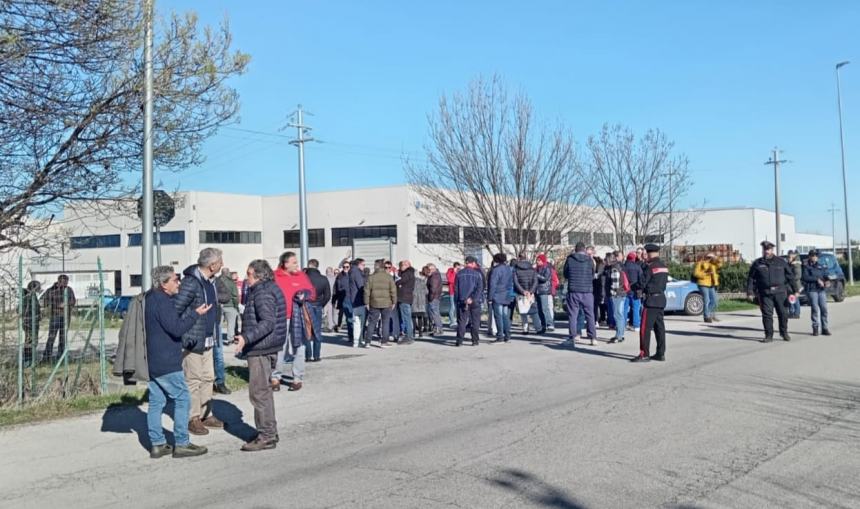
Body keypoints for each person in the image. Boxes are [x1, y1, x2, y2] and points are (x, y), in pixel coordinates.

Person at [145, 265, 211, 459]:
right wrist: (195, 314)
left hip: (153, 358)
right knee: (183, 398)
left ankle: (157, 444)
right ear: (164, 284)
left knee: (156, 401)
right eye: (175, 280)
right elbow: (176, 328)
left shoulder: (149, 298)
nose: (179, 283)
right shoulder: (163, 302)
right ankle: (181, 443)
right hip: (166, 360)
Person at [234, 259, 287, 452]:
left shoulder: (263, 292)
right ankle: (269, 430)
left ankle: (266, 435)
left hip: (261, 348)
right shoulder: (266, 288)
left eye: (248, 274)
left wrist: (246, 338)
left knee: (259, 392)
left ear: (258, 275)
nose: (245, 278)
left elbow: (267, 322)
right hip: (266, 346)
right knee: (263, 391)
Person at [174, 247, 224, 436]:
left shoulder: (211, 281)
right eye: (220, 261)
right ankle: (192, 418)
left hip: (209, 338)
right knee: (193, 380)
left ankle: (205, 413)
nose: (222, 264)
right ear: (212, 265)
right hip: (193, 339)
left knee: (208, 377)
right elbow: (177, 308)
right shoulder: (191, 282)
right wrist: (185, 334)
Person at [273, 251, 315, 391]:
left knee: (299, 347)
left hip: (298, 318)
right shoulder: (274, 276)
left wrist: (306, 294)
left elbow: (312, 291)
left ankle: (297, 378)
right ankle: (275, 377)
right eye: (294, 262)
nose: (297, 264)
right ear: (285, 264)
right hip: (280, 317)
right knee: (279, 347)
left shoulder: (302, 276)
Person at [746, 240, 797, 343]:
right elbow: (751, 278)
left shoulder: (781, 261)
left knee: (783, 314)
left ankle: (784, 333)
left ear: (772, 250)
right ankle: (768, 335)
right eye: (765, 249)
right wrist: (750, 291)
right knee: (767, 315)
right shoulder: (757, 263)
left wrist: (795, 290)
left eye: (768, 249)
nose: (766, 251)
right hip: (765, 293)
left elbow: (790, 276)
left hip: (780, 292)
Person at [631, 244, 669, 362]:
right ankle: (660, 353)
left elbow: (642, 283)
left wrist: (632, 286)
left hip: (651, 300)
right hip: (661, 299)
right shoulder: (664, 266)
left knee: (645, 329)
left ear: (649, 253)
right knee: (659, 328)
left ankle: (644, 354)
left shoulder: (650, 267)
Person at [563, 242, 596, 346]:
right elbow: (592, 274)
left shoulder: (570, 259)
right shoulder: (590, 260)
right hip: (587, 290)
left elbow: (565, 274)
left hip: (573, 290)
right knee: (590, 315)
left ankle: (573, 337)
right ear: (584, 250)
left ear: (575, 249)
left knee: (573, 315)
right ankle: (593, 338)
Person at [213, 268, 239, 395]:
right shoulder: (194, 281)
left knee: (218, 353)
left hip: (216, 317)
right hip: (203, 321)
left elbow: (226, 295)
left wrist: (210, 295)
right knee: (230, 325)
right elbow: (234, 295)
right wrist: (236, 305)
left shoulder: (217, 281)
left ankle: (220, 382)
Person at [40, 274, 76, 362]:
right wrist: (54, 304)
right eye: (64, 282)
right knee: (51, 337)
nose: (66, 284)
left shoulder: (69, 290)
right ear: (60, 281)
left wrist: (66, 303)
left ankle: (61, 357)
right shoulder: (51, 290)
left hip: (66, 317)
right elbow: (43, 301)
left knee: (63, 338)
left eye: (67, 282)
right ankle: (46, 357)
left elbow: (73, 300)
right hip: (55, 316)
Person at [364, 260, 397, 348]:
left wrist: (366, 302)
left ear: (376, 267)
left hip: (374, 302)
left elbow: (366, 291)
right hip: (387, 303)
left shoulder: (371, 277)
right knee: (385, 322)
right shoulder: (389, 277)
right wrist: (394, 301)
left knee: (372, 322)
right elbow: (393, 291)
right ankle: (384, 342)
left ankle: (367, 342)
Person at [304, 259, 332, 362]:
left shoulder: (304, 278)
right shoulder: (323, 279)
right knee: (317, 331)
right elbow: (328, 295)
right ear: (317, 266)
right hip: (318, 306)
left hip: (306, 306)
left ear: (309, 265)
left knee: (307, 331)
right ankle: (316, 355)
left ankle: (308, 355)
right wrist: (321, 304)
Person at [454, 256, 484, 347]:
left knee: (462, 321)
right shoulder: (477, 274)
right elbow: (480, 288)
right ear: (472, 263)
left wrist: (459, 300)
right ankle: (475, 341)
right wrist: (473, 298)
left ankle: (459, 341)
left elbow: (456, 289)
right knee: (475, 321)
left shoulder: (459, 274)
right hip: (474, 301)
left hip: (462, 301)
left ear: (466, 263)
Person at [801, 250, 831, 337]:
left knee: (824, 308)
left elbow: (826, 275)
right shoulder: (806, 266)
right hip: (812, 290)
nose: (815, 257)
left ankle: (825, 328)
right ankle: (815, 328)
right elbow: (805, 277)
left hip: (821, 290)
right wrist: (817, 279)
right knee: (814, 308)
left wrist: (827, 281)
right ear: (809, 256)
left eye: (816, 256)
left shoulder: (821, 265)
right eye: (813, 255)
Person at [487, 253, 514, 343]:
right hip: (506, 295)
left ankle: (500, 336)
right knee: (505, 316)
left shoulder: (496, 270)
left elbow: (492, 284)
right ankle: (507, 335)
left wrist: (490, 297)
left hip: (497, 295)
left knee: (498, 316)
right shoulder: (509, 269)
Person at [513, 253, 541, 334]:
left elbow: (516, 282)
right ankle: (538, 328)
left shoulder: (516, 269)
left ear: (519, 258)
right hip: (531, 293)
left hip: (520, 293)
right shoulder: (532, 269)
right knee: (534, 311)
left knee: (523, 312)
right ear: (526, 257)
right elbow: (535, 281)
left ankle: (525, 329)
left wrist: (523, 291)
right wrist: (531, 291)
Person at [693, 253, 722, 323]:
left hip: (711, 284)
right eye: (709, 257)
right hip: (703, 284)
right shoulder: (701, 263)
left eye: (711, 257)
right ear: (706, 257)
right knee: (707, 300)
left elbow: (720, 264)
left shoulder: (714, 264)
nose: (710, 258)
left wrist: (716, 257)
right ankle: (706, 317)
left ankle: (710, 314)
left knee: (715, 301)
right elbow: (695, 273)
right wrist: (706, 274)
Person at [607, 254, 628, 344]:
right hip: (622, 293)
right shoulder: (619, 266)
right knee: (620, 315)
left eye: (606, 259)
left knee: (618, 315)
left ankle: (619, 336)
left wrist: (612, 293)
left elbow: (615, 285)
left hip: (617, 295)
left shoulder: (614, 268)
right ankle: (620, 334)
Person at [346, 258, 367, 346]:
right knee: (360, 322)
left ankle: (355, 341)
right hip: (359, 299)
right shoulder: (357, 273)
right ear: (359, 264)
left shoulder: (351, 272)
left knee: (356, 322)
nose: (364, 267)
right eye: (363, 265)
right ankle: (359, 340)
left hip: (354, 299)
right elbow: (361, 286)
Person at [396, 260, 416, 345]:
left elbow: (400, 281)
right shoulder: (410, 273)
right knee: (407, 318)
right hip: (407, 298)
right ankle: (409, 336)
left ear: (407, 265)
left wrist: (397, 282)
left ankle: (409, 337)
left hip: (404, 298)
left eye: (403, 265)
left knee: (406, 318)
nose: (401, 266)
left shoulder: (407, 273)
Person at [623, 252, 644, 331]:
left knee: (624, 308)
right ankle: (636, 325)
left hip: (625, 290)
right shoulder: (637, 267)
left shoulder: (623, 267)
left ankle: (624, 324)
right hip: (635, 290)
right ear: (634, 258)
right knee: (636, 308)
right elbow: (641, 279)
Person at [22, 281, 41, 366]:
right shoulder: (28, 296)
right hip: (29, 322)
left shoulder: (33, 296)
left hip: (34, 321)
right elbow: (24, 309)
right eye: (38, 287)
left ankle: (30, 359)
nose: (39, 289)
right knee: (30, 341)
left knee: (32, 341)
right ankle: (27, 360)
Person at [535, 254, 553, 334]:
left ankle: (550, 324)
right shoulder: (536, 269)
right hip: (537, 290)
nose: (537, 262)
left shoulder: (547, 268)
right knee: (539, 309)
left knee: (544, 308)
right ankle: (543, 325)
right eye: (537, 260)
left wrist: (536, 275)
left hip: (544, 290)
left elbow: (545, 278)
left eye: (539, 260)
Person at [426, 263, 444, 335]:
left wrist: (430, 297)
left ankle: (439, 329)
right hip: (435, 297)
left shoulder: (434, 276)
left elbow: (433, 288)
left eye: (429, 269)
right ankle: (436, 329)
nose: (428, 271)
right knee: (434, 313)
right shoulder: (434, 275)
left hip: (434, 297)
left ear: (433, 269)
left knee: (435, 314)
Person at [333, 261, 350, 334]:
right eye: (344, 267)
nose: (345, 268)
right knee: (341, 313)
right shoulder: (339, 276)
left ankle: (350, 333)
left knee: (349, 317)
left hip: (351, 299)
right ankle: (339, 325)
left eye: (347, 267)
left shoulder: (352, 275)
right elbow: (336, 289)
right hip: (342, 298)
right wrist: (334, 300)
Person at [787, 251, 803, 319]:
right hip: (790, 284)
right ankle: (791, 312)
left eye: (789, 257)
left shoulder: (796, 264)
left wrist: (791, 279)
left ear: (793, 256)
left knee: (795, 299)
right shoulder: (791, 264)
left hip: (795, 284)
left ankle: (796, 313)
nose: (788, 258)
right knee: (791, 298)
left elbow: (798, 275)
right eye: (788, 257)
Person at [446, 263, 461, 329]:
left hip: (459, 292)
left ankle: (458, 321)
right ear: (455, 267)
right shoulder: (450, 271)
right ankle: (452, 321)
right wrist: (454, 272)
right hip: (452, 291)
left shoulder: (459, 272)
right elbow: (450, 280)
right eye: (457, 268)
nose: (458, 269)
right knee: (453, 307)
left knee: (458, 307)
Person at [324, 266, 337, 332]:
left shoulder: (325, 278)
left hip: (328, 296)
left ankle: (330, 326)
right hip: (335, 296)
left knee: (329, 311)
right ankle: (335, 324)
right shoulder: (335, 278)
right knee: (334, 311)